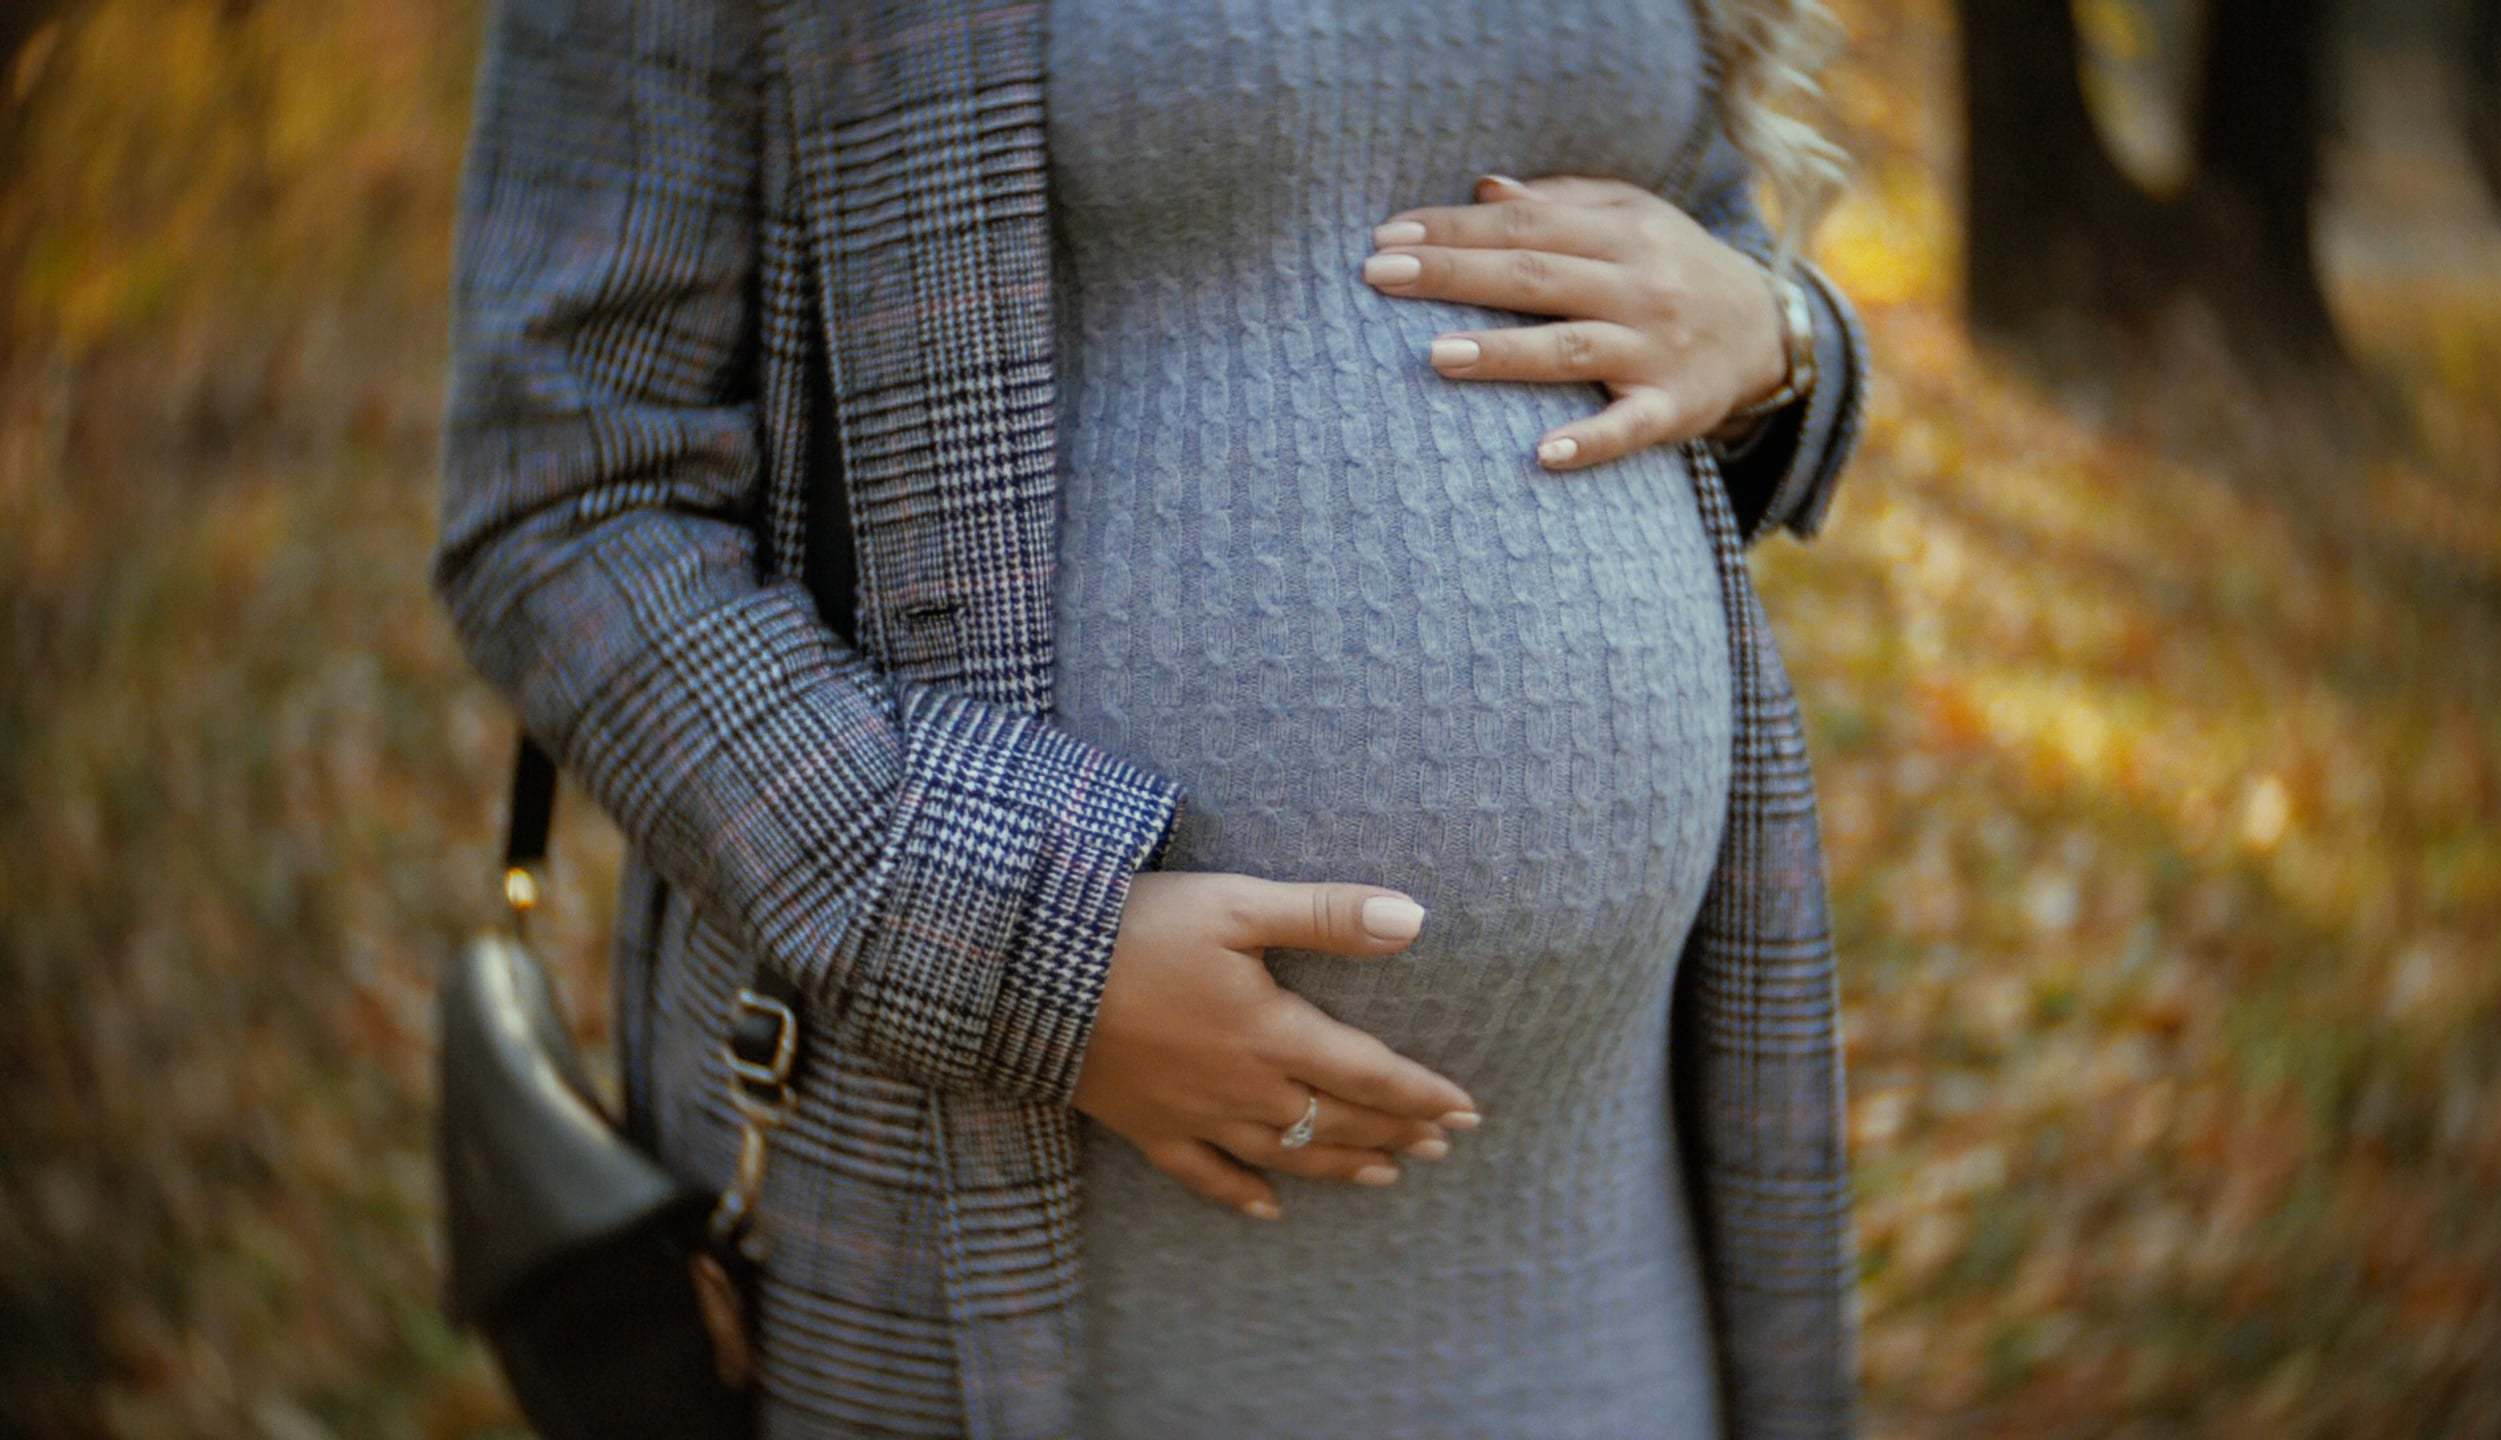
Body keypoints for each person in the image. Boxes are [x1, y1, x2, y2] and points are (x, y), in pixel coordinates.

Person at [433, 0, 1868, 1435]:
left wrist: (1783, 334)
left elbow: (1702, 269)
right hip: (1008, 1222)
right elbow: (565, 506)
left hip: (1605, 1235)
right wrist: (1021, 949)